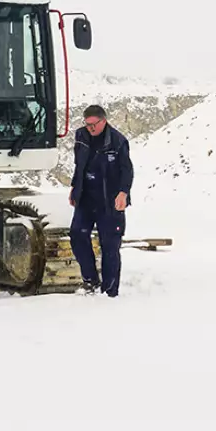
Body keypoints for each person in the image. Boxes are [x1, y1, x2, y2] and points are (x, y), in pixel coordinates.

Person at [68, 104, 133, 297]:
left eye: (94, 125)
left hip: (110, 201)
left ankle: (110, 291)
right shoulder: (81, 137)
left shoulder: (118, 141)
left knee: (110, 245)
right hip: (86, 199)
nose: (90, 128)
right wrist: (74, 187)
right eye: (87, 124)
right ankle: (90, 280)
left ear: (103, 121)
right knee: (77, 236)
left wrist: (123, 193)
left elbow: (127, 170)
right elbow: (79, 165)